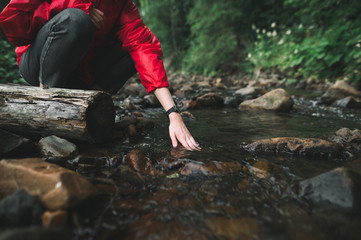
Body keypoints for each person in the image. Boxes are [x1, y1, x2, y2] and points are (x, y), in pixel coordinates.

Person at [0, 0, 200, 151]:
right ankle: (49, 102)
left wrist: (173, 114)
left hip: (80, 71)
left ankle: (92, 100)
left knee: (133, 52)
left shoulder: (122, 5)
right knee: (77, 19)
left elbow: (145, 50)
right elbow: (14, 21)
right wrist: (79, 6)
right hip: (38, 62)